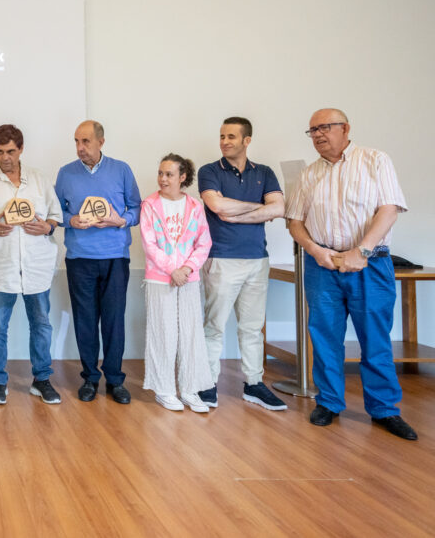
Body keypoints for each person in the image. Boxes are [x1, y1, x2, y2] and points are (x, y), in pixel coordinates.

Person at [286, 108, 417, 440]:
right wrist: (315, 250)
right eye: (312, 130)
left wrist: (362, 251)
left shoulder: (375, 160)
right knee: (325, 337)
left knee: (374, 340)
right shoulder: (309, 174)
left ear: (345, 128)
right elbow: (295, 222)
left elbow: (389, 209)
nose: (317, 134)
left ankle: (384, 410)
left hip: (370, 265)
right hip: (322, 266)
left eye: (324, 128)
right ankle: (329, 403)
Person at [0, 124, 63, 405]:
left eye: (10, 151)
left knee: (42, 325)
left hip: (37, 265)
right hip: (2, 265)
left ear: (21, 150)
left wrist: (48, 226)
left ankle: (41, 379)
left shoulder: (40, 180)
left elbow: (56, 215)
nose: (4, 157)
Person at [197, 117, 287, 411]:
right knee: (214, 327)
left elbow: (280, 208)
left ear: (247, 140)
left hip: (257, 261)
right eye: (222, 136)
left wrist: (242, 211)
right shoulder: (209, 171)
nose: (225, 141)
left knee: (251, 328)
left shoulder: (264, 172)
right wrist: (262, 209)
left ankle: (254, 384)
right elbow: (218, 207)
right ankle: (207, 384)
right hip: (221, 259)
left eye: (232, 137)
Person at [54, 120, 140, 404]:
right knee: (86, 321)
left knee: (114, 321)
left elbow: (136, 209)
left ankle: (115, 380)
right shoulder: (66, 174)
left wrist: (120, 220)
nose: (80, 148)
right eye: (77, 142)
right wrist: (71, 220)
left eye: (86, 142)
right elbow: (55, 214)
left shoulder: (122, 170)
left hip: (116, 257)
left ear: (101, 142)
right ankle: (90, 378)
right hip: (80, 259)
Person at [139, 154, 213, 412]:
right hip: (160, 279)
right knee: (163, 333)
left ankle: (190, 389)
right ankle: (164, 390)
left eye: (169, 174)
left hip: (189, 279)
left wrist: (188, 268)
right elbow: (149, 244)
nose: (162, 179)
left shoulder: (195, 206)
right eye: (160, 173)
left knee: (191, 334)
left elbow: (204, 243)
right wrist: (173, 269)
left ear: (183, 177)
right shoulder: (149, 204)